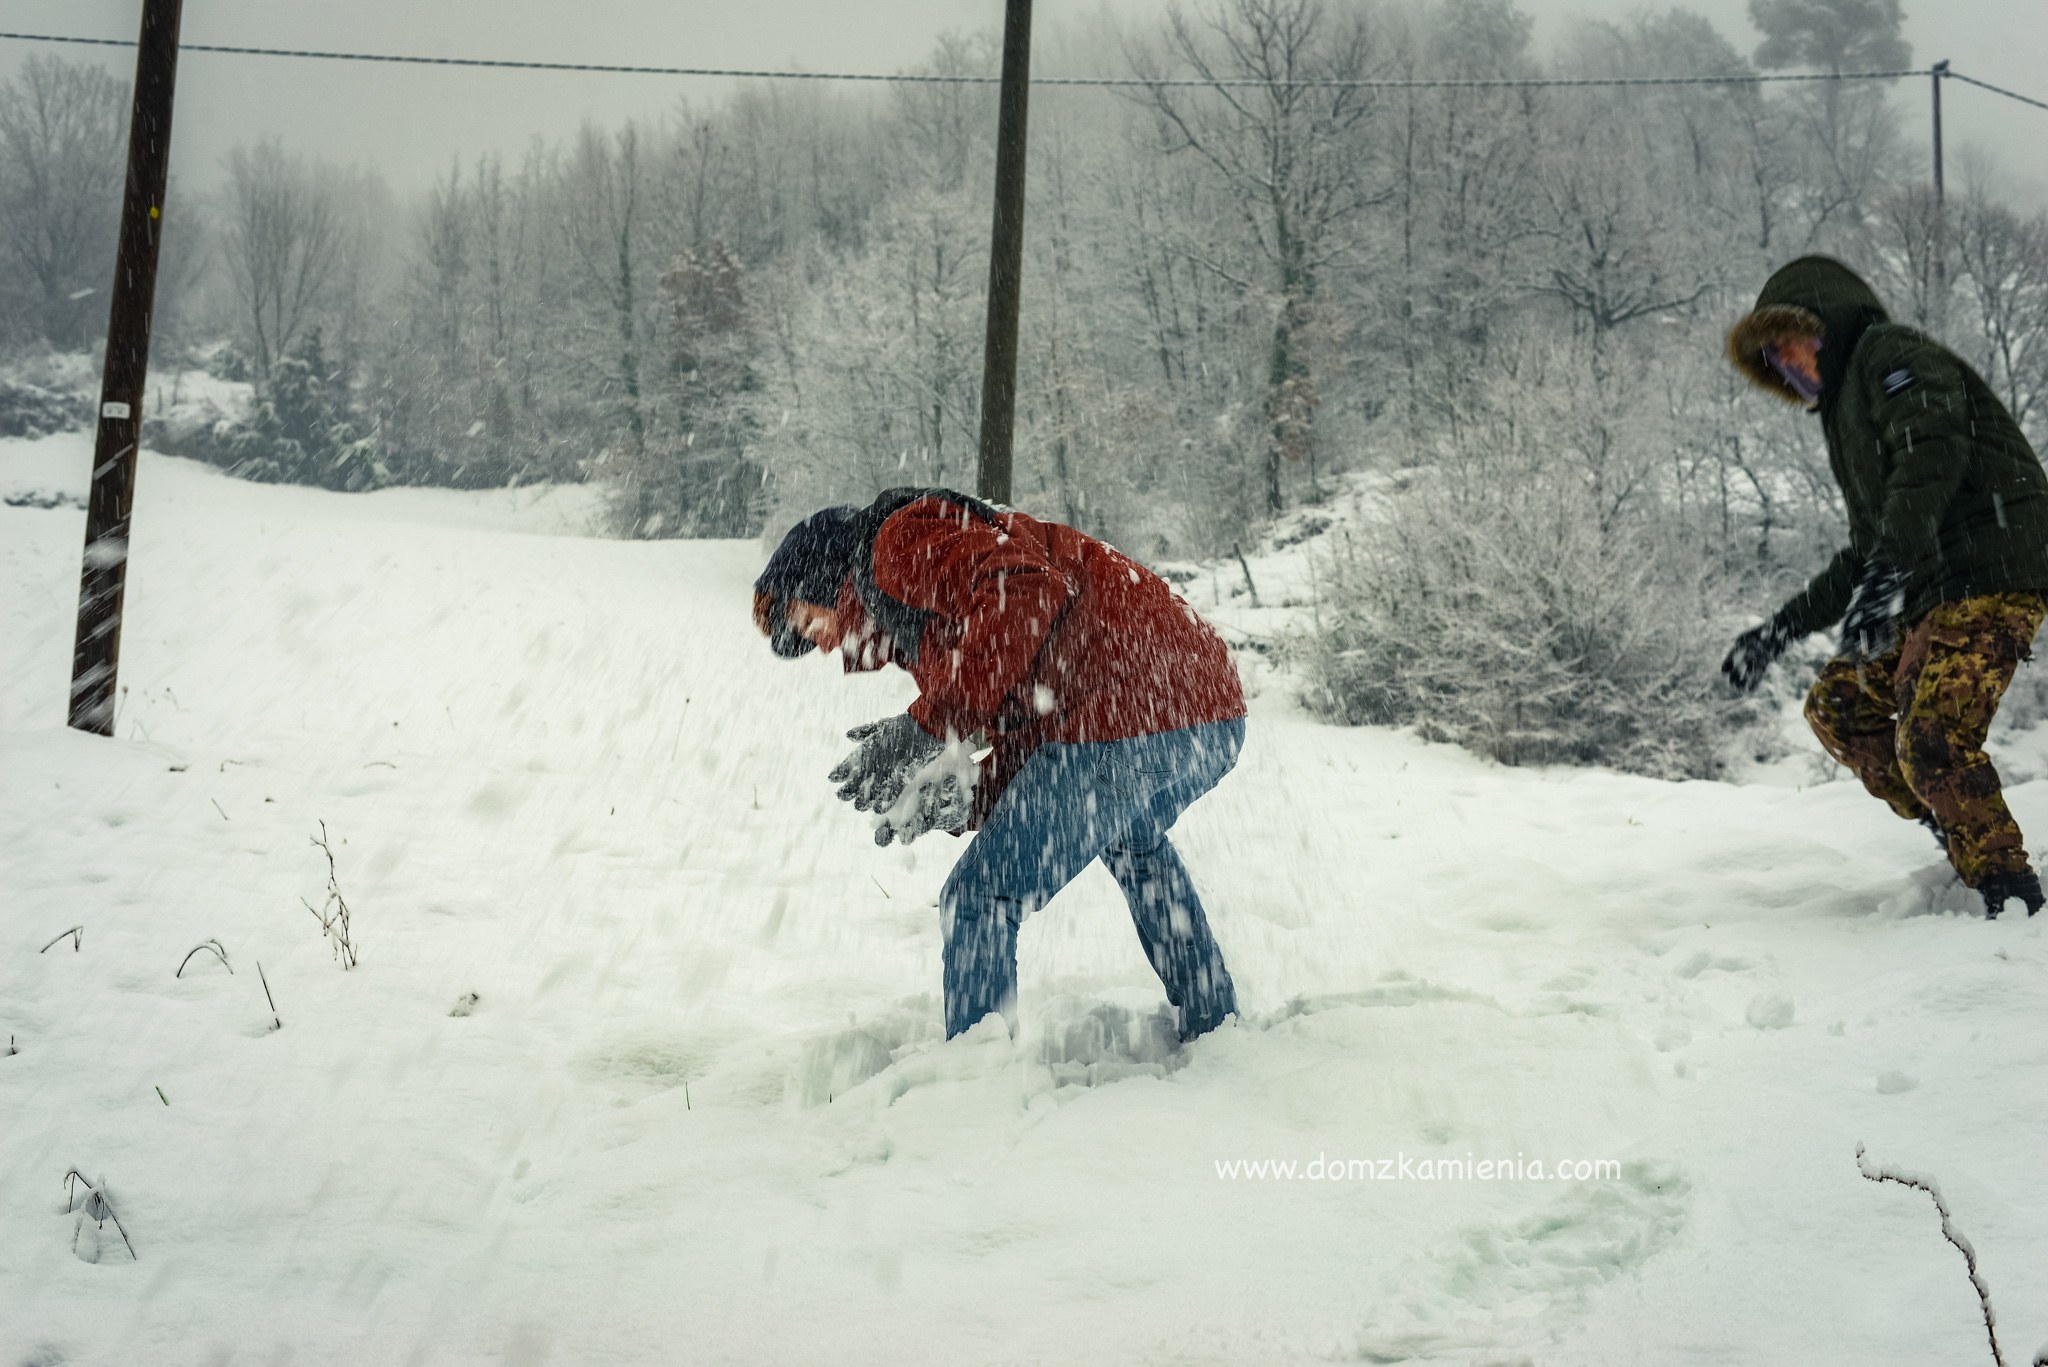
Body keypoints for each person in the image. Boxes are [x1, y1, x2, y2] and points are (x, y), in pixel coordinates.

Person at [752, 486, 1249, 1038]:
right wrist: (970, 798)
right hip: (1204, 708)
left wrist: (924, 727)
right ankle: (1215, 1030)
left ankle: (975, 1086)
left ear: (821, 577)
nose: (818, 644)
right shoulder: (924, 627)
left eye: (803, 620)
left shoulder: (894, 545)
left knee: (979, 898)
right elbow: (1031, 719)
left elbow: (1029, 592)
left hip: (1131, 707)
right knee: (1134, 844)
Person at [1721, 255, 2048, 918]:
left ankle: (2012, 903)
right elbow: (1868, 546)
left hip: (1994, 563)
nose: (1796, 368)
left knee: (1932, 732)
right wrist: (1778, 630)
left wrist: (1887, 574)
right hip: (1928, 583)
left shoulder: (1889, 353)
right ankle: (1954, 822)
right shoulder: (1841, 417)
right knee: (1838, 706)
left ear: (1830, 328)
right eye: (1780, 363)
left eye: (1800, 347)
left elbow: (1931, 447)